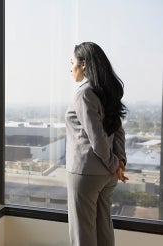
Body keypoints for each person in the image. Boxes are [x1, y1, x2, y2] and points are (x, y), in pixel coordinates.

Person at [65, 42, 129, 246]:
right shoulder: (106, 92)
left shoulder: (85, 94)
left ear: (83, 65)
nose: (70, 68)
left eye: (72, 62)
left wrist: (114, 164)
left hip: (86, 174)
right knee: (103, 231)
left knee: (83, 234)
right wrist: (119, 163)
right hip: (107, 176)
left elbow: (96, 138)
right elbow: (118, 131)